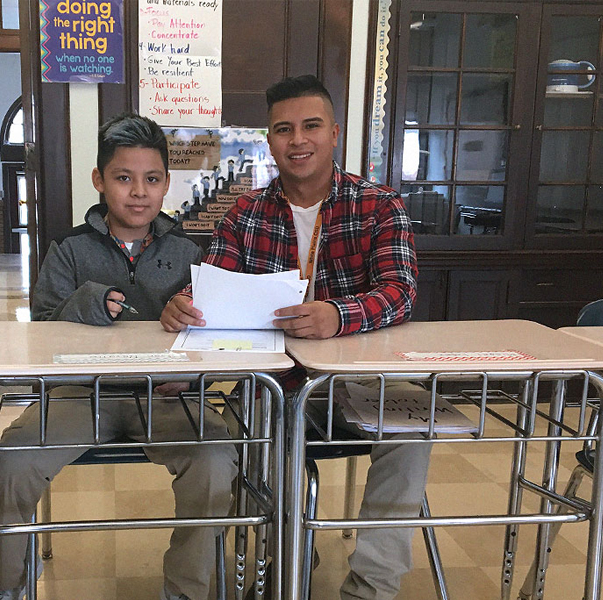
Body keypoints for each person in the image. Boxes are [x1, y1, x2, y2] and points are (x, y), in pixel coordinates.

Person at [161, 75, 430, 600]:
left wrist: (339, 314)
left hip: (360, 381)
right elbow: (214, 294)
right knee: (268, 440)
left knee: (411, 434)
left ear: (334, 133)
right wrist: (185, 306)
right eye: (283, 130)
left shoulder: (378, 206)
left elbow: (401, 290)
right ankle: (289, 573)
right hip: (275, 386)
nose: (297, 140)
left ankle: (371, 587)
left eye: (310, 126)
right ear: (270, 141)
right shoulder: (246, 213)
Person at [0, 113, 238, 600]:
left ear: (167, 185)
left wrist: (193, 378)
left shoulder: (188, 252)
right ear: (100, 180)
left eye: (152, 179)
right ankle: (10, 584)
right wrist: (87, 302)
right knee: (11, 461)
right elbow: (40, 330)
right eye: (124, 178)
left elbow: (212, 335)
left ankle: (185, 590)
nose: (138, 192)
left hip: (166, 398)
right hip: (80, 396)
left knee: (215, 459)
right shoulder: (69, 250)